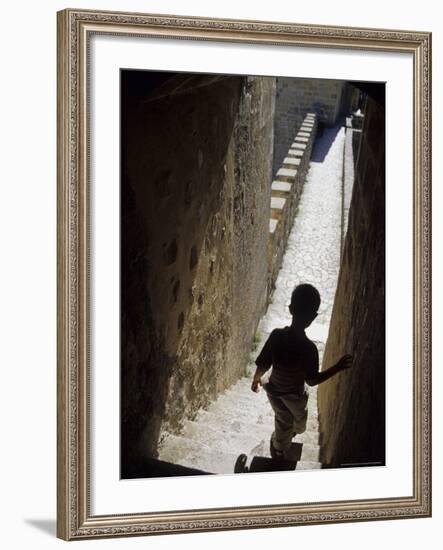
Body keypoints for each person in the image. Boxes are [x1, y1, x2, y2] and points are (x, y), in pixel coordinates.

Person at [251, 283, 352, 461]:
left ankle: (283, 439)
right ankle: (278, 448)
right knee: (288, 423)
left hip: (274, 391)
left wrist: (256, 378)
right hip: (293, 396)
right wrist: (337, 367)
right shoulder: (309, 349)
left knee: (294, 423)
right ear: (313, 317)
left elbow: (264, 362)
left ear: (290, 309)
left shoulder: (276, 336)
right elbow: (312, 380)